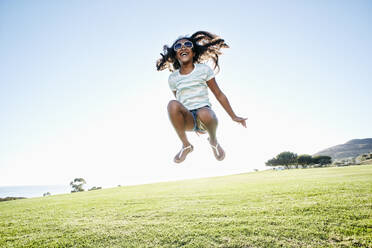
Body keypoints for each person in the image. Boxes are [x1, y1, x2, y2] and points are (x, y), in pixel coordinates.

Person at [156, 31, 247, 163]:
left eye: (187, 44)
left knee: (204, 112)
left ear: (193, 53)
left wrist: (233, 116)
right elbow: (179, 100)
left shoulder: (203, 70)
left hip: (204, 117)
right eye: (178, 46)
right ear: (176, 55)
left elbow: (219, 95)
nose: (182, 47)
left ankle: (213, 141)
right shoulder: (173, 78)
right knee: (172, 104)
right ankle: (186, 145)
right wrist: (185, 117)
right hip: (188, 120)